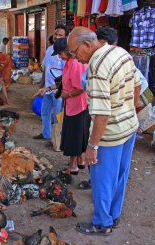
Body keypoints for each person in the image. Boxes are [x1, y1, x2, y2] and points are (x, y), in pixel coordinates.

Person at [68, 27, 141, 235]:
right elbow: (137, 86)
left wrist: (92, 145)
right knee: (120, 175)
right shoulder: (121, 52)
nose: (75, 57)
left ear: (87, 45)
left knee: (101, 181)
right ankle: (113, 216)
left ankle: (102, 223)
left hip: (109, 135)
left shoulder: (97, 67)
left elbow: (101, 114)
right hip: (129, 128)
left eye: (75, 52)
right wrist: (128, 111)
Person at [55, 38, 89, 174]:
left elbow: (81, 87)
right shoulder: (69, 62)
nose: (59, 56)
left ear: (66, 50)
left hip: (77, 105)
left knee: (74, 136)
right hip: (73, 105)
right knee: (79, 133)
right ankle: (80, 160)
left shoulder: (75, 63)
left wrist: (67, 95)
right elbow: (64, 82)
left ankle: (73, 165)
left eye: (60, 53)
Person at [33, 25, 67, 141]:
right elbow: (46, 69)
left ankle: (57, 140)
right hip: (47, 88)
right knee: (45, 113)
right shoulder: (49, 49)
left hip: (58, 90)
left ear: (65, 37)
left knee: (57, 116)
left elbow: (66, 76)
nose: (57, 37)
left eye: (60, 35)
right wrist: (41, 84)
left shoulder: (66, 53)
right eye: (56, 34)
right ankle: (46, 134)